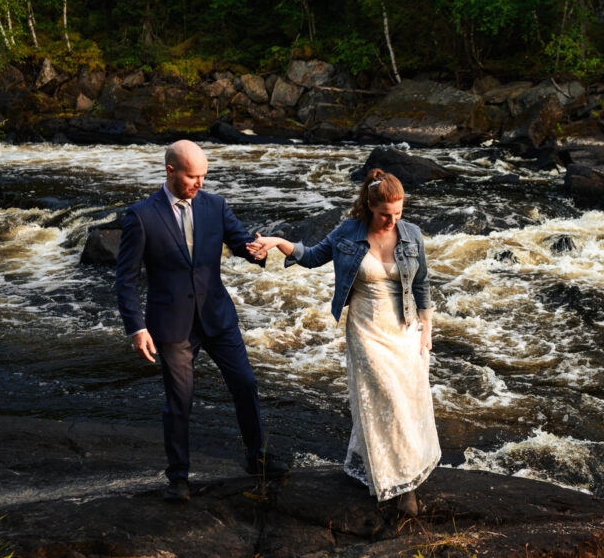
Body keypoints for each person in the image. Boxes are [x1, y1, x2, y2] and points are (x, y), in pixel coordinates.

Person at [247, 169, 439, 516]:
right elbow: (312, 257)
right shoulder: (348, 232)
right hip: (366, 328)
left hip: (404, 327)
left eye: (398, 213)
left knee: (407, 401)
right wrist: (276, 241)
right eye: (386, 214)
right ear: (370, 206)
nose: (392, 221)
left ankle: (400, 471)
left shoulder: (411, 234)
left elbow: (421, 282)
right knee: (386, 399)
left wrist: (426, 329)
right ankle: (402, 483)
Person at [115, 140, 288, 502]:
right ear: (171, 171)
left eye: (204, 176)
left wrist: (259, 249)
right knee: (180, 400)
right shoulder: (141, 215)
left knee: (245, 383)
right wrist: (137, 327)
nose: (200, 182)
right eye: (193, 176)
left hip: (217, 316)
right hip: (172, 324)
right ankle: (178, 477)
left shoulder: (215, 205)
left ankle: (256, 457)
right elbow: (126, 279)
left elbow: (241, 244)